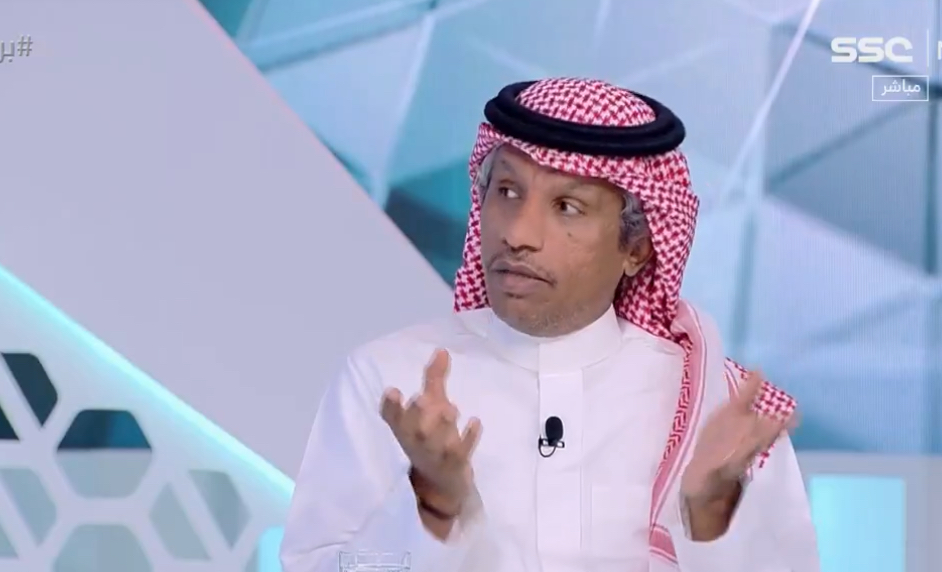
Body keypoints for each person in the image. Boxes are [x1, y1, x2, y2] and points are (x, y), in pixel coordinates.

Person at [279, 78, 820, 572]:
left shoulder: (720, 412)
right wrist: (431, 507)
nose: (518, 234)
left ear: (636, 247)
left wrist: (711, 526)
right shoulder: (387, 379)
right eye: (507, 192)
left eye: (567, 207)